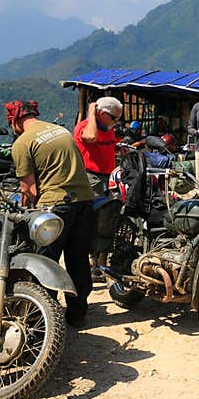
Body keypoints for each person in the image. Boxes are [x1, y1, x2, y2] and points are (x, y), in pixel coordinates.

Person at [5, 100, 95, 327]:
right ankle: (77, 314)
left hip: (56, 206)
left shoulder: (23, 142)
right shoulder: (60, 130)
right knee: (78, 258)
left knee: (45, 262)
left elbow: (29, 189)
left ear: (14, 121)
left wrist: (24, 209)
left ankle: (43, 319)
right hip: (84, 201)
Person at [73, 96, 123, 281]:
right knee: (92, 221)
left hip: (106, 178)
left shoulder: (107, 128)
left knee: (105, 220)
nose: (116, 123)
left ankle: (98, 263)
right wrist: (91, 114)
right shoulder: (85, 127)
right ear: (101, 114)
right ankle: (88, 265)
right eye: (114, 118)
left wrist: (118, 150)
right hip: (90, 178)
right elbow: (90, 137)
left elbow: (106, 146)